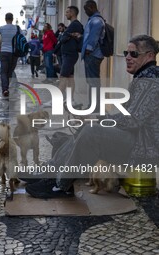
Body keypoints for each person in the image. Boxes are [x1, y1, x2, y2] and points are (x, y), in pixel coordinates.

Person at [26, 35, 159, 199]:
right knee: (86, 128)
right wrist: (98, 118)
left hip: (145, 150)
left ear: (150, 56)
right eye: (126, 53)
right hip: (136, 140)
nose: (127, 58)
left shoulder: (151, 81)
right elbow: (126, 115)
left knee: (91, 132)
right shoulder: (143, 78)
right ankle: (49, 172)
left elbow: (132, 120)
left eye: (134, 54)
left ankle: (60, 185)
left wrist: (99, 121)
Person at [81, 0, 105, 113]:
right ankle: (93, 106)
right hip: (92, 55)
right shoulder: (94, 20)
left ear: (91, 7)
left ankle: (95, 107)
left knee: (93, 83)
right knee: (92, 82)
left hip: (93, 55)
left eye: (86, 9)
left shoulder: (96, 20)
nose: (85, 12)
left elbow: (93, 38)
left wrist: (88, 51)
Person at [57, 6, 83, 103]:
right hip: (69, 54)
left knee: (63, 77)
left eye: (67, 12)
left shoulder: (75, 25)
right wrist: (66, 35)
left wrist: (65, 35)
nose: (65, 14)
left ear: (72, 13)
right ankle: (70, 99)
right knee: (70, 77)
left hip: (69, 55)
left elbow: (62, 39)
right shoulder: (72, 26)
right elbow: (62, 38)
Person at [0, 13, 19, 97]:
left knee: (3, 71)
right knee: (10, 71)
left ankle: (5, 89)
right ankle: (7, 87)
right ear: (12, 19)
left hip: (4, 52)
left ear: (5, 19)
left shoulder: (2, 28)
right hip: (14, 53)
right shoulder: (17, 28)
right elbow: (23, 37)